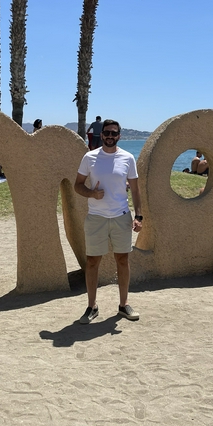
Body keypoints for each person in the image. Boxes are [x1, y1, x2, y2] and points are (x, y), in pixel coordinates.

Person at [74, 119, 143, 323]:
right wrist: (91, 194)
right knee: (93, 262)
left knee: (123, 260)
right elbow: (77, 185)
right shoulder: (90, 157)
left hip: (121, 216)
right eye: (107, 133)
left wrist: (139, 216)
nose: (110, 137)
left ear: (119, 136)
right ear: (101, 135)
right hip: (96, 218)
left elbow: (136, 190)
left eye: (114, 133)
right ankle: (91, 307)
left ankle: (123, 305)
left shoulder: (128, 158)